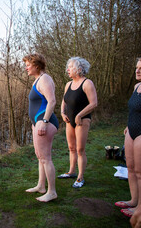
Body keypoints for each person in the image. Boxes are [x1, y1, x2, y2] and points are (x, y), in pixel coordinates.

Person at [23, 53, 59, 202]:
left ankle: (52, 192)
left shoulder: (45, 79)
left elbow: (52, 101)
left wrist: (44, 121)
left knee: (46, 158)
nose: (26, 67)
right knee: (40, 157)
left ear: (37, 66)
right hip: (37, 121)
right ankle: (41, 186)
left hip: (45, 121)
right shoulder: (37, 80)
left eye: (28, 65)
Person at [58, 57, 97, 188]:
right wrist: (63, 113)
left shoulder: (87, 83)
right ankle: (71, 172)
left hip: (82, 120)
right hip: (69, 120)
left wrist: (80, 115)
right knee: (71, 148)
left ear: (79, 69)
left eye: (70, 67)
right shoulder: (68, 85)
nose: (67, 70)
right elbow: (64, 101)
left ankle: (80, 177)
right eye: (67, 67)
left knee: (80, 149)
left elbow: (94, 103)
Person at [116, 57, 141, 218]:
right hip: (131, 131)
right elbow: (133, 110)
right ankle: (134, 200)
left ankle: (140, 208)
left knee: (140, 172)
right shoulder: (136, 86)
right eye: (137, 68)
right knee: (131, 168)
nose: (137, 71)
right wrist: (127, 126)